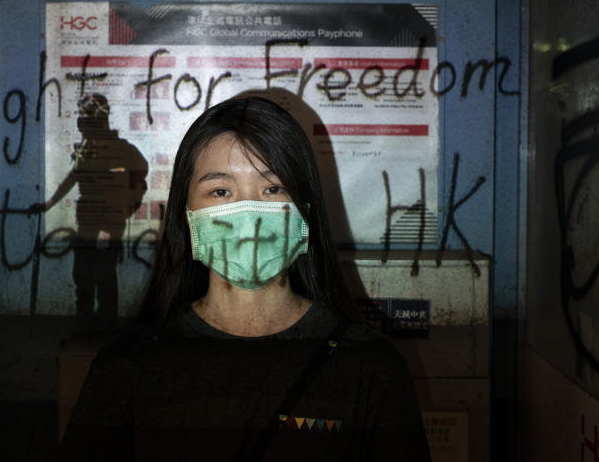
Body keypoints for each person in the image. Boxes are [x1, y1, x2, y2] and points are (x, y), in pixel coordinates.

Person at [60, 96, 431, 461]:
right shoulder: (127, 368)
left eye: (273, 189)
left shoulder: (370, 369)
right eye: (220, 191)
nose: (249, 214)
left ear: (305, 210)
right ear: (186, 213)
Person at [31, 93, 148, 330]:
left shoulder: (121, 149)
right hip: (87, 220)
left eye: (85, 116)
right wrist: (48, 204)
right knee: (82, 273)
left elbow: (140, 173)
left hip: (110, 221)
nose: (80, 121)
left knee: (103, 273)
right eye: (80, 116)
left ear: (98, 119)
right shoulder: (86, 148)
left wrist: (129, 204)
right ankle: (85, 322)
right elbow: (72, 177)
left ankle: (106, 324)